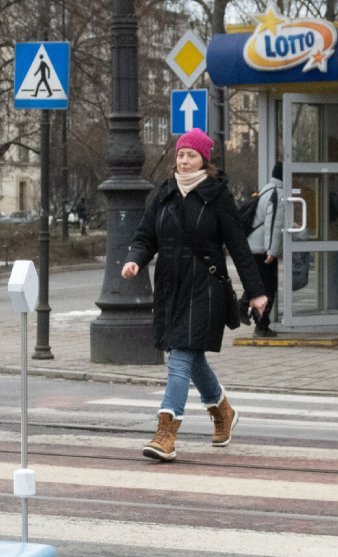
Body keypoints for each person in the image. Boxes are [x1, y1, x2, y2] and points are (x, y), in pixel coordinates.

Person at [121, 128, 267, 463]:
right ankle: (222, 411)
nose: (184, 160)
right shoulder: (165, 193)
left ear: (204, 160)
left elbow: (238, 246)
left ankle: (166, 431)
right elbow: (145, 236)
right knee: (190, 354)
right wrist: (134, 259)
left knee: (181, 353)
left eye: (191, 155)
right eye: (181, 154)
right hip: (170, 286)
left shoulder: (218, 196)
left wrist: (256, 291)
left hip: (205, 287)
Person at [246, 162, 285, 337]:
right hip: (262, 249)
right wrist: (272, 251)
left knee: (260, 284)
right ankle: (261, 326)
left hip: (254, 246)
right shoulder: (278, 193)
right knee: (268, 288)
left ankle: (242, 307)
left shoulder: (267, 189)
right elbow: (273, 225)